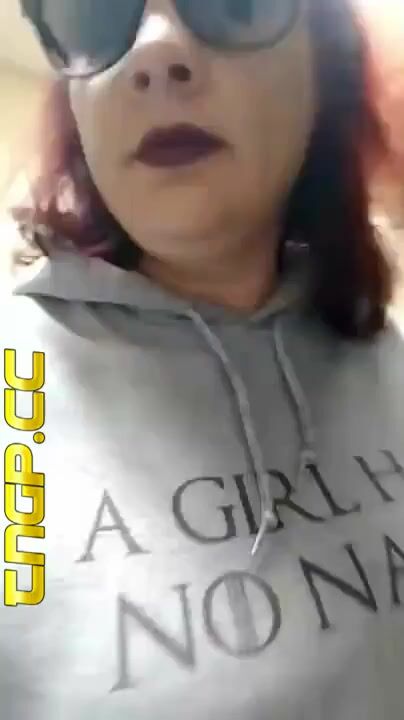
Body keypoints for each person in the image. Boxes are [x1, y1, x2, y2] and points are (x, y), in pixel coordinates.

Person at [1, 0, 404, 718]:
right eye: (97, 14)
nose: (154, 51)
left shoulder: (381, 349)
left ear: (323, 70)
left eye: (234, 3)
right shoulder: (16, 393)